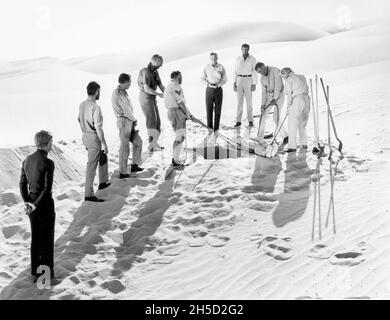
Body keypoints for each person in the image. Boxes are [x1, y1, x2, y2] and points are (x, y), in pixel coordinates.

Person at [19, 130, 57, 284]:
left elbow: (22, 183)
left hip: (31, 203)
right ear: (47, 144)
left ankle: (35, 273)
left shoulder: (26, 160)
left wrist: (27, 202)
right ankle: (46, 277)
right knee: (47, 240)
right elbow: (46, 189)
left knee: (36, 239)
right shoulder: (48, 162)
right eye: (51, 143)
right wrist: (35, 205)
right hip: (44, 204)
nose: (52, 146)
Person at [78, 81, 110, 202]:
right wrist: (104, 143)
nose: (99, 93)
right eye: (99, 91)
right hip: (93, 136)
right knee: (91, 165)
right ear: (96, 91)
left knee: (101, 158)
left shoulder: (82, 104)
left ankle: (103, 182)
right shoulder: (96, 107)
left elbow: (78, 119)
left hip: (85, 136)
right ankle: (89, 194)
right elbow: (98, 127)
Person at [112, 73, 144, 179]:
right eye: (129, 82)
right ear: (125, 82)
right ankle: (123, 172)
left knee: (138, 142)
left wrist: (132, 120)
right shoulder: (118, 93)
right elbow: (126, 110)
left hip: (129, 121)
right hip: (124, 121)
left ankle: (134, 165)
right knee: (125, 147)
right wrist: (134, 119)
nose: (130, 84)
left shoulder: (124, 93)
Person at [255, 62, 288, 146]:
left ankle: (286, 136)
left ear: (264, 66)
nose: (261, 73)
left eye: (261, 71)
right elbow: (263, 93)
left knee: (275, 117)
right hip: (269, 97)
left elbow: (278, 85)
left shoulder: (275, 70)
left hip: (279, 95)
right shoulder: (262, 79)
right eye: (259, 72)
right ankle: (260, 137)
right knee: (263, 115)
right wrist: (262, 105)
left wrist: (275, 98)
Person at [164, 71, 193, 166]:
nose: (181, 79)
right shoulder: (176, 87)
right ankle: (175, 161)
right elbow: (180, 103)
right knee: (180, 137)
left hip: (171, 113)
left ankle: (175, 159)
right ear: (177, 77)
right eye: (181, 77)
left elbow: (180, 103)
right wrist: (188, 115)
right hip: (176, 113)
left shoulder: (169, 86)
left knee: (178, 136)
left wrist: (189, 114)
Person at [138, 54, 165, 152]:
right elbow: (146, 88)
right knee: (152, 121)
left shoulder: (155, 72)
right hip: (146, 98)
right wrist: (158, 94)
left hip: (153, 98)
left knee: (158, 122)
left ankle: (155, 143)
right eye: (160, 63)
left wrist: (166, 93)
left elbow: (160, 84)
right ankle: (151, 145)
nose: (161, 65)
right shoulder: (145, 71)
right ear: (155, 62)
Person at [281, 67, 311, 152]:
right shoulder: (302, 76)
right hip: (307, 99)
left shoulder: (288, 79)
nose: (283, 78)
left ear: (286, 73)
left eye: (283, 75)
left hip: (298, 99)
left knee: (292, 123)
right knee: (303, 123)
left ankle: (292, 146)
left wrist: (288, 108)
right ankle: (304, 144)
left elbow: (289, 95)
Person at [201, 52, 227, 142]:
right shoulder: (206, 67)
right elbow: (202, 78)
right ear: (210, 59)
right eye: (212, 58)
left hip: (218, 89)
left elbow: (224, 79)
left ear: (217, 58)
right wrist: (207, 84)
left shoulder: (221, 67)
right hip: (209, 89)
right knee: (209, 109)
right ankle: (209, 128)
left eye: (215, 58)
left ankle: (216, 129)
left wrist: (219, 85)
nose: (213, 60)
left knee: (218, 110)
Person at [233, 43, 258, 127]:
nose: (245, 50)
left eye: (246, 49)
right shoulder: (238, 58)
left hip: (248, 79)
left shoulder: (252, 59)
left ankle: (250, 120)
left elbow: (255, 71)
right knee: (239, 101)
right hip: (239, 80)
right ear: (241, 49)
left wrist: (255, 83)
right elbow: (235, 71)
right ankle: (238, 121)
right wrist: (234, 82)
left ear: (248, 49)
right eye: (243, 49)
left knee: (249, 101)